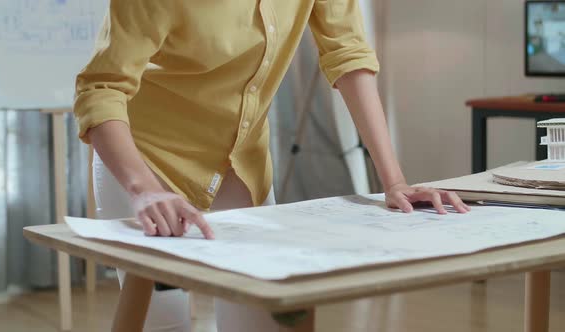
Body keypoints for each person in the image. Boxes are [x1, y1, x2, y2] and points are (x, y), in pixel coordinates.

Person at [74, 1, 470, 331]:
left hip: (240, 167)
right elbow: (102, 88)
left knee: (264, 321)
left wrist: (394, 180)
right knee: (165, 324)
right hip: (144, 164)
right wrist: (144, 189)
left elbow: (347, 54)